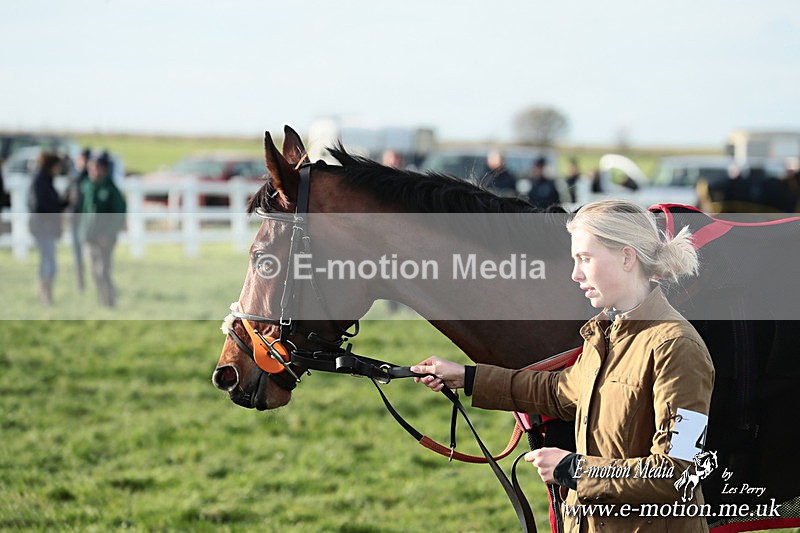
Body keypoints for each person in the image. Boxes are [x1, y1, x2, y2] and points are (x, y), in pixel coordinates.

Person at [412, 199, 715, 532]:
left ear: (627, 258)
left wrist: (573, 468)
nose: (575, 274)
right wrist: (467, 377)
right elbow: (560, 391)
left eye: (585, 259)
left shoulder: (676, 347)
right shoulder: (605, 333)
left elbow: (676, 473)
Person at [80, 153, 126, 307]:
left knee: (103, 271)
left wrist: (108, 234)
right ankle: (102, 300)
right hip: (90, 237)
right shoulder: (87, 185)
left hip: (104, 239)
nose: (93, 171)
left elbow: (119, 214)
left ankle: (110, 301)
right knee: (94, 272)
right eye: (91, 167)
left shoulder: (111, 189)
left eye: (97, 167)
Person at [28, 152, 68, 305]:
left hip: (45, 227)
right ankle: (45, 296)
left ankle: (46, 296)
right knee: (48, 264)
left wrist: (62, 203)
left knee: (47, 262)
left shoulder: (45, 180)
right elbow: (40, 205)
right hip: (43, 228)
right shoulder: (40, 181)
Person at [67, 147, 91, 291]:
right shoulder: (74, 174)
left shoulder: (88, 176)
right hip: (75, 218)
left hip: (86, 219)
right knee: (77, 252)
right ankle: (80, 284)